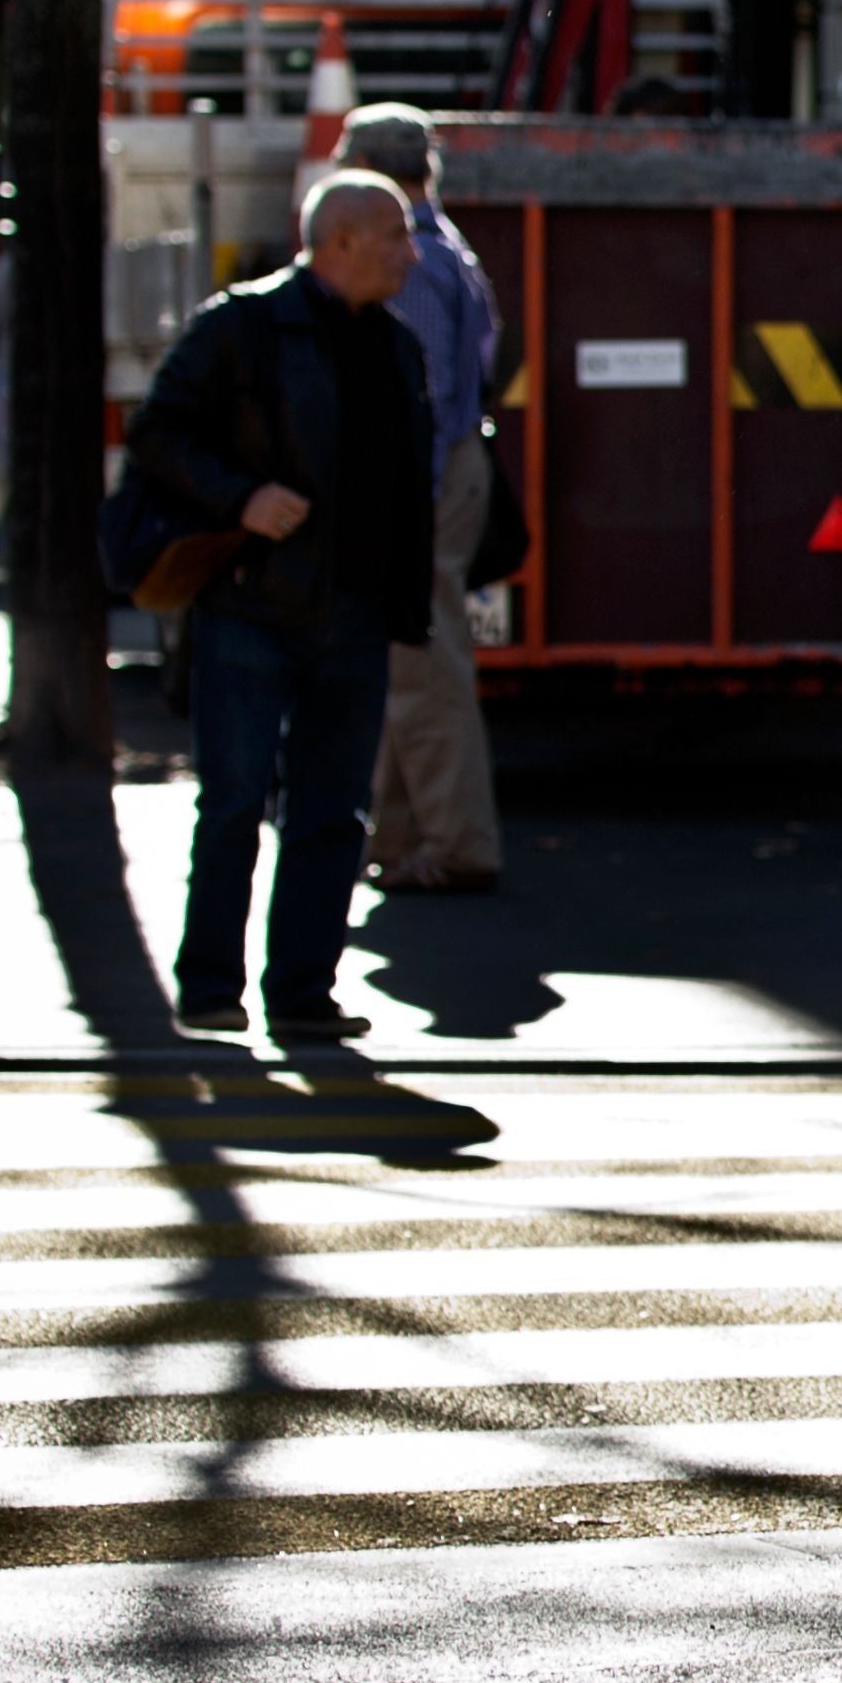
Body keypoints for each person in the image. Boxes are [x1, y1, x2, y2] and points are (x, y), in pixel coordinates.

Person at [126, 173, 436, 1041]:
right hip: (251, 607)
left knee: (333, 812)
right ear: (337, 240)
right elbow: (158, 434)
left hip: (355, 614)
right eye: (395, 236)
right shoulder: (244, 327)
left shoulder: (396, 346)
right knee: (233, 801)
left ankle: (302, 992)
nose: (410, 254)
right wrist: (241, 498)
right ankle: (211, 986)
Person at [338, 105, 506, 896]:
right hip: (445, 467)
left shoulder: (416, 264)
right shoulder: (450, 251)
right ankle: (403, 835)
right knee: (411, 655)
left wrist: (410, 497)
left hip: (427, 473)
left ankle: (455, 840)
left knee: (423, 658)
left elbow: (426, 396)